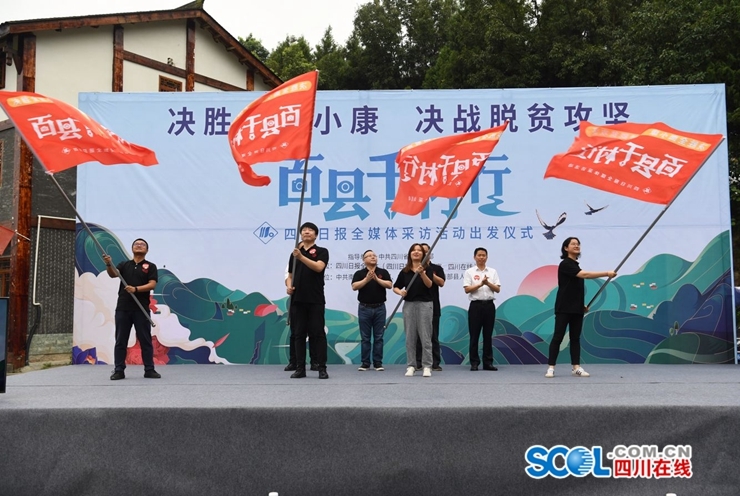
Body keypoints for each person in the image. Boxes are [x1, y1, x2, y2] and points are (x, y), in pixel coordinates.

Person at [545, 237, 616, 378]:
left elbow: (574, 288)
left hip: (576, 308)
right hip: (563, 307)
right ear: (566, 248)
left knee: (575, 338)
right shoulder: (565, 264)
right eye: (573, 244)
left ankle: (576, 367)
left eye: (578, 244)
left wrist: (579, 304)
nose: (576, 246)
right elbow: (585, 275)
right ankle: (551, 367)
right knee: (558, 337)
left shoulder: (575, 265)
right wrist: (606, 273)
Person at [103, 239, 160, 380]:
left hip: (141, 308)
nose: (139, 245)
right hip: (123, 308)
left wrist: (136, 289)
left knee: (145, 340)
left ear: (147, 250)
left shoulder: (150, 266)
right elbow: (113, 274)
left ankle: (149, 369)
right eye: (136, 244)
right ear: (132, 248)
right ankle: (119, 370)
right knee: (120, 340)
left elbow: (152, 284)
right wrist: (109, 264)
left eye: (142, 244)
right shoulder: (124, 265)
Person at [286, 222, 329, 379]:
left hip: (315, 299)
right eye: (304, 230)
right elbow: (290, 275)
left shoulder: (322, 251)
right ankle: (300, 368)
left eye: (310, 230)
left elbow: (318, 267)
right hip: (298, 299)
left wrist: (301, 257)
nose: (306, 232)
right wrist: (289, 286)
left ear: (315, 235)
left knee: (318, 334)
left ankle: (321, 368)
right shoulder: (294, 254)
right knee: (298, 334)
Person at [393, 243, 435, 378]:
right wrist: (401, 292)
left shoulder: (428, 269)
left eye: (419, 250)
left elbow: (429, 284)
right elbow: (395, 287)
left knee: (425, 337)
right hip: (409, 305)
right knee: (410, 337)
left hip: (425, 305)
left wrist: (422, 273)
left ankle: (427, 366)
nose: (416, 252)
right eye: (413, 250)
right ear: (410, 254)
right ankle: (411, 365)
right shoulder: (405, 271)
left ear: (423, 254)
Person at [351, 250, 392, 371]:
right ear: (364, 260)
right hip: (364, 308)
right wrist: (367, 279)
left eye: (374, 255)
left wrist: (377, 279)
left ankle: (378, 363)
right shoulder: (359, 273)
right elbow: (354, 286)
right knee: (365, 337)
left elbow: (389, 285)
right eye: (369, 256)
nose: (373, 257)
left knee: (379, 337)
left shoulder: (383, 272)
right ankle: (365, 363)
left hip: (380, 308)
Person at [463, 247, 500, 371]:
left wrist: (488, 283)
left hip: (489, 305)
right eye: (479, 255)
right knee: (474, 335)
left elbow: (497, 289)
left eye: (484, 255)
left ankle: (488, 362)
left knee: (488, 335)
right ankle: (474, 362)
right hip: (476, 306)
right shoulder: (469, 272)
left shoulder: (492, 272)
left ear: (487, 257)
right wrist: (480, 284)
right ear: (474, 257)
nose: (481, 257)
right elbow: (467, 289)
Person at [416, 243, 445, 371]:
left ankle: (435, 363)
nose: (424, 253)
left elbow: (441, 283)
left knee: (433, 335)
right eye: (422, 251)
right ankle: (418, 362)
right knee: (418, 336)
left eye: (426, 251)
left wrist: (427, 271)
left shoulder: (436, 268)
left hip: (433, 305)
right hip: (418, 305)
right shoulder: (413, 268)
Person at [284, 263, 317, 372]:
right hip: (297, 301)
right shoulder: (294, 260)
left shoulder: (313, 259)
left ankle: (315, 362)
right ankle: (294, 362)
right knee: (296, 333)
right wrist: (289, 287)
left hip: (312, 300)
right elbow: (288, 277)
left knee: (314, 332)